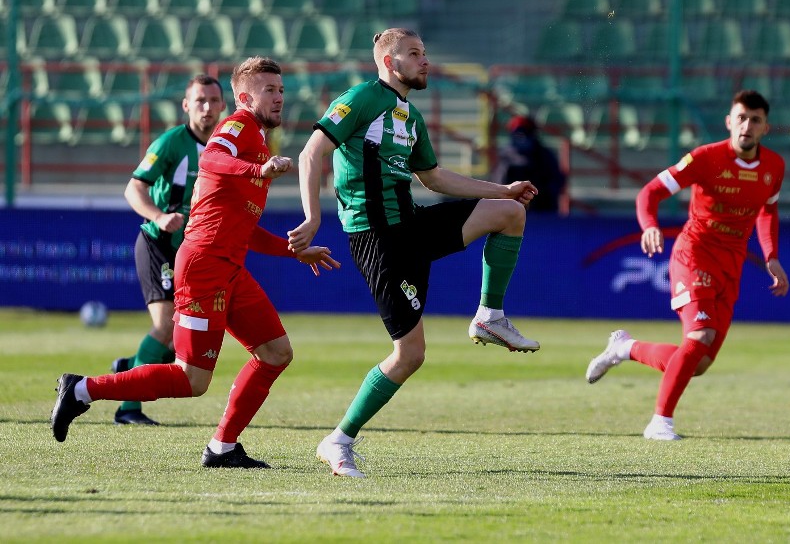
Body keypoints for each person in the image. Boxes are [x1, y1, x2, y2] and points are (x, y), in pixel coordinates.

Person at [51, 56, 341, 468]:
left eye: (281, 90)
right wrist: (256, 168)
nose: (279, 98)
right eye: (269, 90)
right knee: (192, 378)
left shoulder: (257, 138)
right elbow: (211, 160)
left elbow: (245, 227)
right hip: (204, 267)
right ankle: (81, 389)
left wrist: (292, 250)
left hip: (230, 269)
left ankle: (222, 447)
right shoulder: (238, 126)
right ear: (243, 97)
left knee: (276, 353)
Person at [287, 28, 541, 478]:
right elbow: (312, 153)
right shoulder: (363, 97)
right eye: (415, 54)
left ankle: (490, 316)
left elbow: (435, 178)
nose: (425, 62)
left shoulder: (409, 115)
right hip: (378, 238)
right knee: (410, 355)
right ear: (389, 62)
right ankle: (338, 440)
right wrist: (312, 217)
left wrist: (505, 188)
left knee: (508, 213)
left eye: (425, 53)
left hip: (409, 222)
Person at [585, 90, 789, 441]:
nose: (747, 125)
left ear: (765, 127)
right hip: (693, 255)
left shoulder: (774, 167)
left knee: (700, 362)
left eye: (755, 120)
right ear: (729, 121)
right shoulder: (705, 158)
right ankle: (660, 422)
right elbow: (649, 193)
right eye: (741, 117)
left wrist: (771, 255)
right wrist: (650, 225)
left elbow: (768, 211)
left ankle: (624, 348)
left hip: (731, 266)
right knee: (699, 336)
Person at [113, 74, 227, 426]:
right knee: (164, 326)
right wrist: (159, 216)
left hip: (193, 253)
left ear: (223, 105)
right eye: (199, 100)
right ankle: (127, 408)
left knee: (183, 345)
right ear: (186, 105)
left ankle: (129, 368)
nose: (207, 107)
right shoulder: (171, 143)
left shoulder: (226, 146)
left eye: (212, 100)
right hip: (158, 243)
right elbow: (134, 189)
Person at [495, 115, 566, 213]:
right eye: (518, 134)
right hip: (512, 213)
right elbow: (500, 186)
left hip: (543, 213)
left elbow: (558, 182)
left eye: (525, 133)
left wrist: (539, 193)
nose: (522, 138)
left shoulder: (545, 156)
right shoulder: (506, 157)